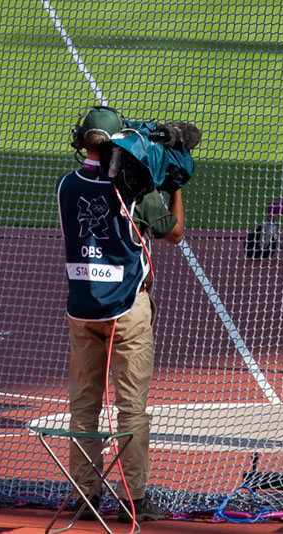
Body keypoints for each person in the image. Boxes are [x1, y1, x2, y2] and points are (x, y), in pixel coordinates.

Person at [57, 106, 198, 522]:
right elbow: (173, 233)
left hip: (81, 309)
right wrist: (173, 184)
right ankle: (131, 498)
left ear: (82, 140)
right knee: (131, 408)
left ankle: (84, 495)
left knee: (83, 406)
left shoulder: (65, 186)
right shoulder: (132, 185)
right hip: (126, 308)